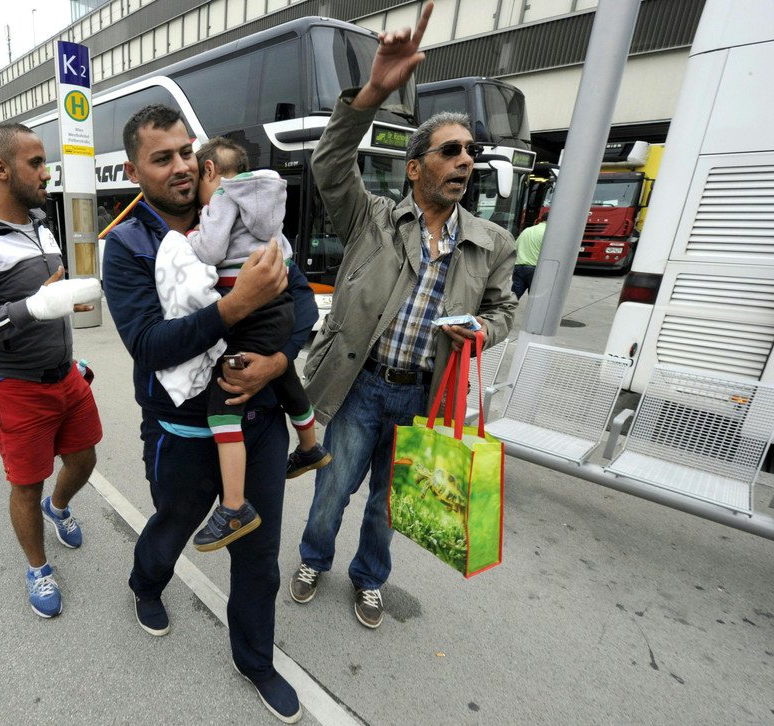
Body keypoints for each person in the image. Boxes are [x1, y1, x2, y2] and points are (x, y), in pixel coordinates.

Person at [290, 2, 517, 629]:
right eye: (451, 151)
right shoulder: (373, 220)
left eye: (470, 151)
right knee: (333, 489)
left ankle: (370, 580)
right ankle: (313, 559)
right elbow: (329, 163)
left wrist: (482, 330)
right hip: (361, 385)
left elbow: (502, 310)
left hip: (425, 396)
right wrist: (371, 95)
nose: (465, 160)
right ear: (416, 168)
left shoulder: (492, 243)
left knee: (389, 504)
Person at [103, 104, 317, 724]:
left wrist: (277, 362)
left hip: (259, 424)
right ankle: (146, 584)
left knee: (258, 552)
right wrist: (234, 307)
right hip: (182, 432)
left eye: (185, 152)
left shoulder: (238, 212)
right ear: (133, 170)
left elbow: (302, 304)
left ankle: (256, 661)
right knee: (172, 527)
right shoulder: (128, 245)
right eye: (161, 158)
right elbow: (148, 345)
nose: (181, 166)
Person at [0, 122, 103, 619]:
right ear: (1, 169)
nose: (46, 172)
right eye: (36, 162)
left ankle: (60, 507)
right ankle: (38, 568)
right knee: (26, 485)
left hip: (66, 375)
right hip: (14, 388)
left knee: (84, 461)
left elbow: (46, 300)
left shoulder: (41, 225)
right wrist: (35, 306)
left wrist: (62, 302)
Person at [170, 137, 330, 552]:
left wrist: (191, 236)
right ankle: (310, 447)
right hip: (280, 308)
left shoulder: (223, 197)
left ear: (209, 171)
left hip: (252, 311)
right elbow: (286, 258)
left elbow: (211, 249)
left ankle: (234, 507)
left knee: (223, 406)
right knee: (283, 373)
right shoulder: (271, 202)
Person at [512, 211, 547, 299]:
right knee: (535, 299)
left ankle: (506, 307)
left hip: (519, 267)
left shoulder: (527, 230)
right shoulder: (549, 232)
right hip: (536, 269)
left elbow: (515, 247)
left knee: (513, 296)